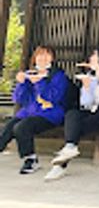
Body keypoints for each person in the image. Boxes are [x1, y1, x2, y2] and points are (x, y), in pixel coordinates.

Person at [45, 46, 99, 181]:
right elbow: (85, 102)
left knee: (77, 128)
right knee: (72, 115)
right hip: (92, 109)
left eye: (94, 55)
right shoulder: (89, 74)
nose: (91, 58)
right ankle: (69, 147)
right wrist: (87, 86)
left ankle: (61, 165)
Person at [0, 46, 69, 174]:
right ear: (34, 58)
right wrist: (21, 83)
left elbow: (52, 98)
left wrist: (40, 82)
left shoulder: (58, 76)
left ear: (52, 58)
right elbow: (18, 99)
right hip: (29, 112)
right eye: (40, 55)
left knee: (21, 127)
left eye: (47, 55)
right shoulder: (30, 73)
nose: (43, 58)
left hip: (50, 114)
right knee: (9, 126)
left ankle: (31, 160)